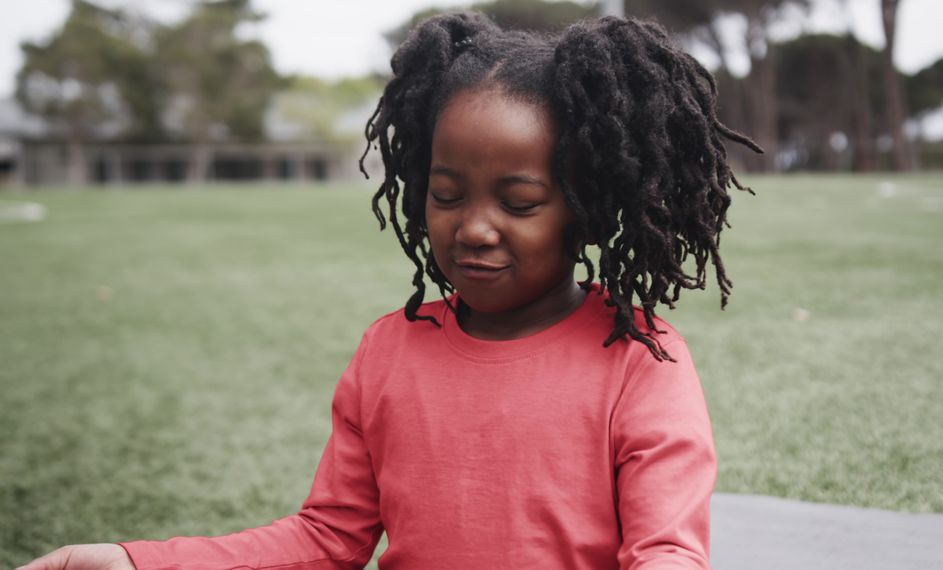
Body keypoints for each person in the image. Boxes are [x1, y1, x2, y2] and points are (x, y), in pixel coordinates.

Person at [19, 12, 760, 570]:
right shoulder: (390, 349)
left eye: (519, 202)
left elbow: (666, 552)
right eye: (446, 195)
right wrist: (134, 561)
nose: (473, 228)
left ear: (588, 204)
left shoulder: (640, 360)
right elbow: (327, 537)